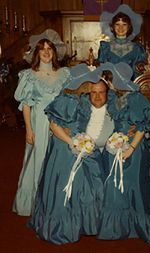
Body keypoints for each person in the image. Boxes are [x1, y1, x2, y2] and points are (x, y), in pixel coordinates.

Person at [28, 62, 136, 244]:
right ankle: (63, 227)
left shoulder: (103, 104)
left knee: (96, 187)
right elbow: (54, 125)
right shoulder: (69, 99)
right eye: (93, 91)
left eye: (101, 92)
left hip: (88, 151)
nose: (97, 96)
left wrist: (129, 131)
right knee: (72, 188)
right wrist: (73, 142)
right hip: (66, 148)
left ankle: (88, 224)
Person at [12, 29, 71, 216]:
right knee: (38, 160)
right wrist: (29, 130)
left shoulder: (64, 74)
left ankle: (58, 202)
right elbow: (26, 105)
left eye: (49, 49)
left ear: (54, 52)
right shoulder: (29, 75)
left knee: (60, 160)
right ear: (36, 53)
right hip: (39, 123)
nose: (46, 52)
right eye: (42, 49)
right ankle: (38, 205)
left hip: (60, 123)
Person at [97, 63, 150, 244]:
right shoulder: (114, 96)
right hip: (115, 146)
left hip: (134, 148)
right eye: (112, 79)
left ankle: (135, 226)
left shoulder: (137, 98)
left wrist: (131, 148)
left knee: (134, 184)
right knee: (115, 186)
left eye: (116, 78)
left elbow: (141, 126)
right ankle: (115, 227)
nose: (114, 82)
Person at [98, 4, 146, 80]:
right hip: (110, 89)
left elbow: (138, 75)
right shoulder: (105, 47)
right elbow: (102, 73)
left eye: (124, 24)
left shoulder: (137, 49)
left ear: (129, 27)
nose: (121, 28)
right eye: (117, 24)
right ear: (112, 27)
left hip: (131, 88)